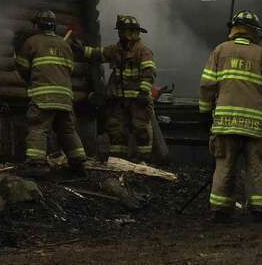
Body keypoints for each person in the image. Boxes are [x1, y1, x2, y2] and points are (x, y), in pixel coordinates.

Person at [198, 10, 262, 221]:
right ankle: (260, 210)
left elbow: (207, 84)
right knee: (257, 167)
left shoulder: (220, 51)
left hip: (225, 123)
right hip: (255, 126)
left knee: (224, 166)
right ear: (252, 31)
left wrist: (204, 112)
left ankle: (220, 210)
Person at [14, 9, 88, 169]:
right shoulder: (64, 45)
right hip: (65, 98)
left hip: (43, 96)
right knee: (67, 129)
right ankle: (78, 161)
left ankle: (36, 164)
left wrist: (30, 79)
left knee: (38, 128)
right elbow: (70, 69)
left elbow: (22, 67)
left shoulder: (32, 42)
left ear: (37, 25)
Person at [78, 14, 157, 161]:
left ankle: (144, 161)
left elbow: (149, 73)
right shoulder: (116, 50)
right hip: (118, 100)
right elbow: (98, 54)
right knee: (116, 130)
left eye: (126, 31)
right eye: (121, 31)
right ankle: (118, 160)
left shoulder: (143, 51)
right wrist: (80, 49)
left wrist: (143, 91)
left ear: (135, 32)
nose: (123, 34)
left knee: (141, 129)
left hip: (137, 100)